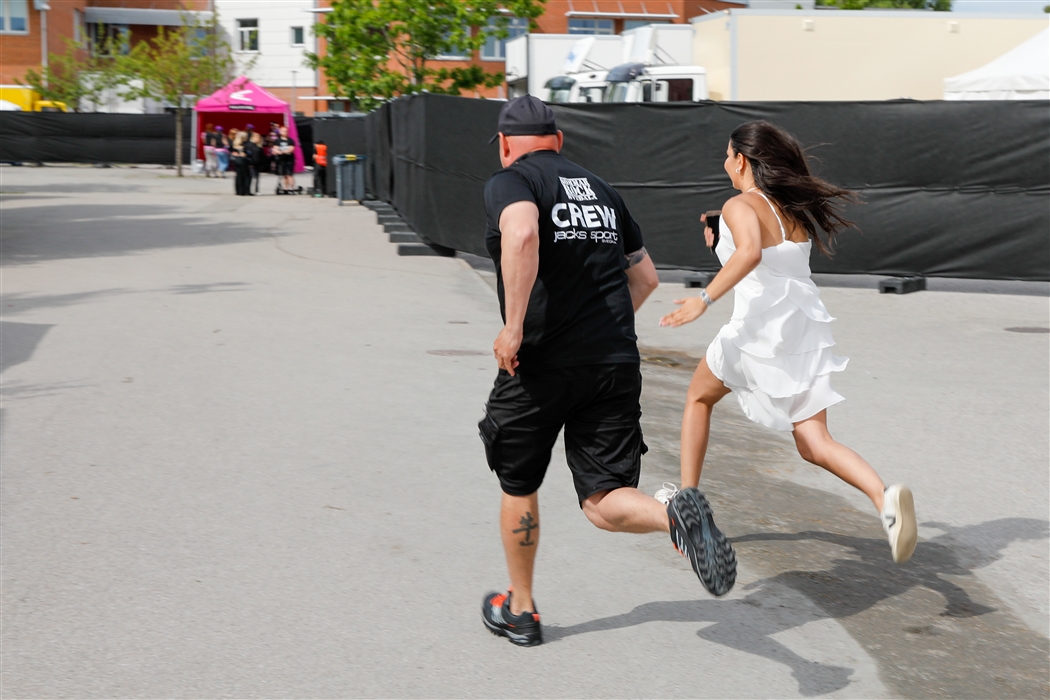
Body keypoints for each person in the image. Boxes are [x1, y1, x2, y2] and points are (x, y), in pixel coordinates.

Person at [478, 96, 737, 648]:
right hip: (613, 362)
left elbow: (522, 234)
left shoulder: (513, 182)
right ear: (559, 140)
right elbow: (644, 278)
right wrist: (599, 330)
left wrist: (514, 327)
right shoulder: (603, 191)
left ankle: (521, 610)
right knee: (603, 498)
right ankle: (676, 516)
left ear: (504, 145)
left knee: (519, 481)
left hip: (540, 364)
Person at [658, 120, 917, 565]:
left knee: (698, 399)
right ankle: (884, 498)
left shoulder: (740, 204)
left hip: (756, 332)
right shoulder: (791, 211)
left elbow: (750, 254)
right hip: (802, 331)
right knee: (814, 441)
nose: (724, 163)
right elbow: (760, 252)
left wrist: (703, 299)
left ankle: (688, 504)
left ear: (741, 160)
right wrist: (718, 236)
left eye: (726, 155)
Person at [273, 125, 297, 192]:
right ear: (280, 132)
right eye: (283, 131)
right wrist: (278, 152)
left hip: (289, 160)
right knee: (284, 175)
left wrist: (282, 152)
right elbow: (275, 149)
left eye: (286, 131)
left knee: (289, 174)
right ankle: (285, 188)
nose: (285, 132)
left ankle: (292, 188)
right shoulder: (277, 141)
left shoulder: (290, 140)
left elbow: (291, 149)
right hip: (282, 160)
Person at [230, 131, 252, 196]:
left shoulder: (234, 144)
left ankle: (239, 191)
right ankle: (246, 191)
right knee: (246, 176)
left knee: (238, 176)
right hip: (243, 161)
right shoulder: (245, 145)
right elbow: (247, 153)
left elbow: (232, 152)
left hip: (236, 161)